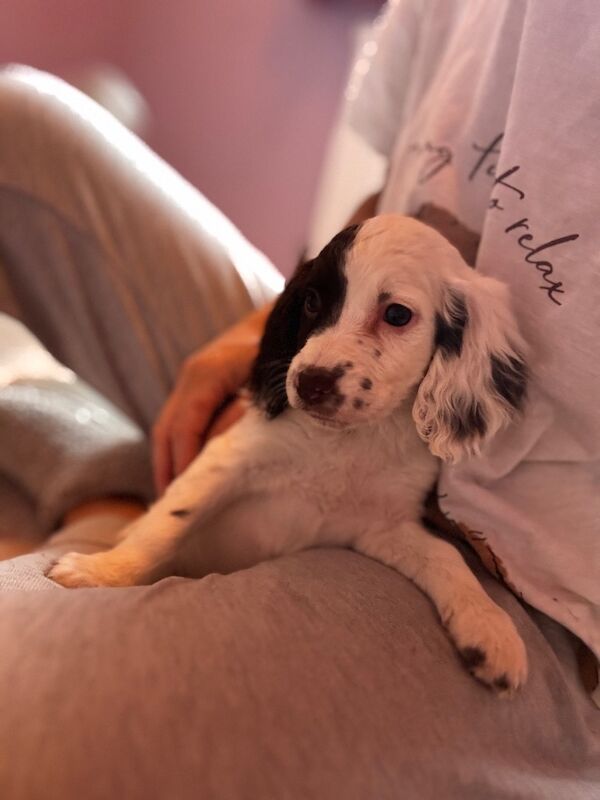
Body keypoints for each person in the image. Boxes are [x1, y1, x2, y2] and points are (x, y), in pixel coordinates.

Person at [0, 2, 598, 798]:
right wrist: (257, 334)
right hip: (317, 398)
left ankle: (91, 468)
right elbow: (386, 210)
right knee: (18, 124)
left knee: (33, 722)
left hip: (538, 577)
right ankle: (106, 472)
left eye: (397, 318)